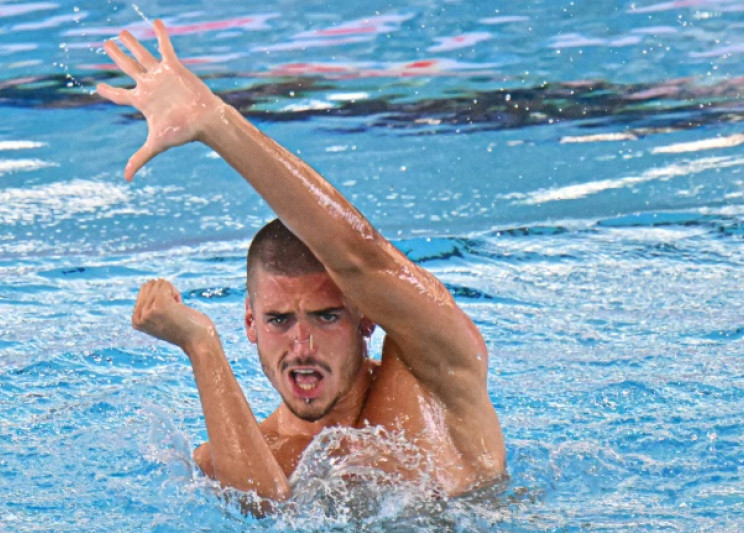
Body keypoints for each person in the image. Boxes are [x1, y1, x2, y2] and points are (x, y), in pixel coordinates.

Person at [96, 20, 505, 502]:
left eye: (326, 316)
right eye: (278, 320)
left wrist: (217, 123)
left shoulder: (433, 370)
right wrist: (200, 345)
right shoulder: (227, 457)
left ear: (366, 317)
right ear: (250, 322)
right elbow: (261, 513)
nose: (302, 345)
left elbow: (361, 257)